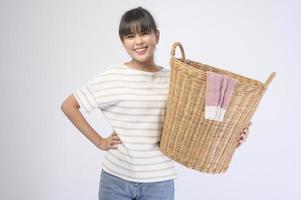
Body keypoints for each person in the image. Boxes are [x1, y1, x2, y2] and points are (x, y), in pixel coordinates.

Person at [61, 6, 251, 200]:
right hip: (116, 179)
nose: (138, 41)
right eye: (130, 36)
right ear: (123, 42)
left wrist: (234, 135)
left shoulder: (175, 80)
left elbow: (200, 120)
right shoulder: (113, 76)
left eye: (144, 33)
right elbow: (69, 106)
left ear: (157, 36)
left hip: (159, 181)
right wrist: (100, 142)